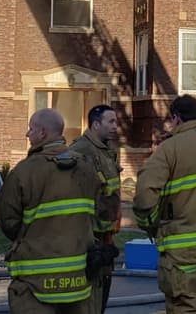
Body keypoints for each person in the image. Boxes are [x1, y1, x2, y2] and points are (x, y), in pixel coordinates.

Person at [133, 95, 196, 314]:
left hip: (184, 253)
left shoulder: (169, 148)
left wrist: (149, 223)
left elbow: (145, 193)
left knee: (187, 309)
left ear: (177, 118)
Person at [0, 109, 99, 313]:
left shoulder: (24, 171)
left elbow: (8, 221)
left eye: (31, 129)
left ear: (42, 133)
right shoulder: (87, 169)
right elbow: (98, 211)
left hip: (34, 282)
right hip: (78, 281)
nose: (28, 134)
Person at [69, 105, 122, 314]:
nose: (115, 127)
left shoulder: (106, 151)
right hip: (90, 241)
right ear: (95, 124)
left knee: (101, 298)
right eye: (111, 122)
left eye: (116, 122)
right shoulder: (81, 152)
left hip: (105, 239)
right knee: (90, 303)